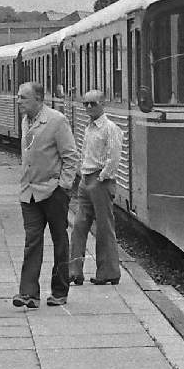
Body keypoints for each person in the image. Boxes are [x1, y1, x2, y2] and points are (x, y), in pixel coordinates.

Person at [13, 82, 78, 308]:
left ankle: (59, 291)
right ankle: (28, 293)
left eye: (23, 97)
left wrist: (64, 186)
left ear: (39, 98)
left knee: (60, 241)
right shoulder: (25, 120)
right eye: (19, 97)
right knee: (32, 242)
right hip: (29, 193)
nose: (18, 101)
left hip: (52, 192)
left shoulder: (56, 121)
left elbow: (70, 157)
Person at [69, 90, 123, 286]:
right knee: (79, 226)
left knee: (104, 227)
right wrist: (82, 176)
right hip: (86, 179)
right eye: (86, 104)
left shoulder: (110, 128)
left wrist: (101, 178)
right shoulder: (89, 128)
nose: (89, 107)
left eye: (93, 103)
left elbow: (114, 157)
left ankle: (108, 272)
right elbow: (85, 153)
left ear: (103, 104)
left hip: (100, 180)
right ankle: (74, 271)